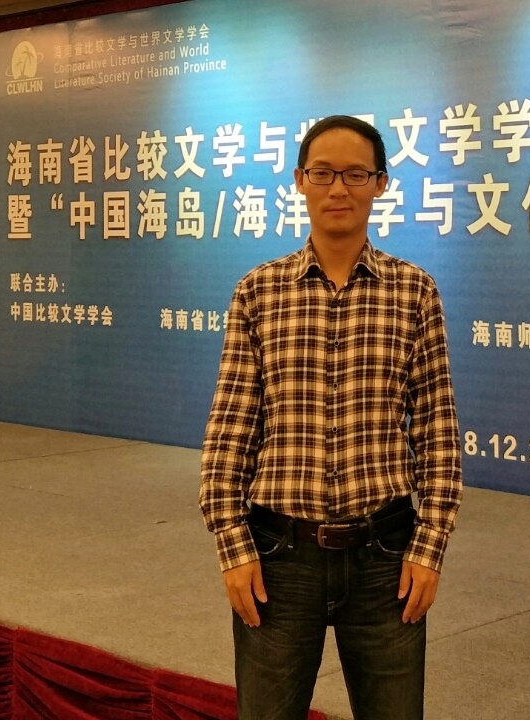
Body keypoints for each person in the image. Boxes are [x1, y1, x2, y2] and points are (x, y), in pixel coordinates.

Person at [199, 114, 463, 720]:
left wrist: (430, 545)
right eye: (322, 173)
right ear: (299, 181)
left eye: (355, 174)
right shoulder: (258, 291)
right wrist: (232, 545)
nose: (338, 188)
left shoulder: (414, 292)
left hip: (385, 555)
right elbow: (231, 429)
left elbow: (437, 430)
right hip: (278, 554)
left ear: (381, 184)